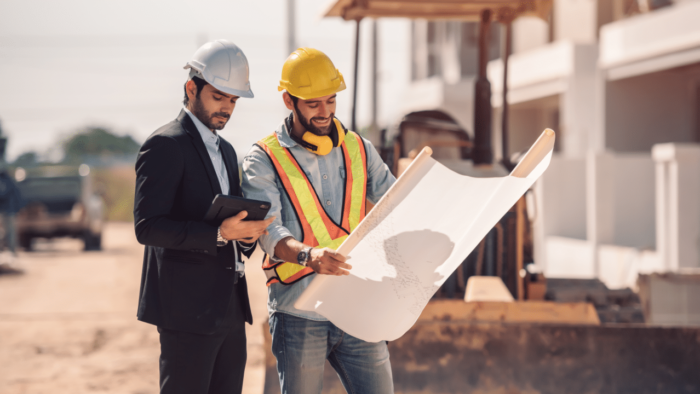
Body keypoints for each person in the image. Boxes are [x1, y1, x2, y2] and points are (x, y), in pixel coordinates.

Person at [241, 47, 396, 394]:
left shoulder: (359, 148)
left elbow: (396, 203)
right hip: (298, 311)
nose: (325, 112)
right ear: (288, 100)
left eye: (331, 101)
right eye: (313, 104)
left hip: (357, 306)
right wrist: (308, 255)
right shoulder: (263, 159)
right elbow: (268, 230)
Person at [133, 39, 274, 394]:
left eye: (233, 100)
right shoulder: (165, 145)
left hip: (229, 306)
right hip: (185, 311)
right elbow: (147, 227)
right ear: (191, 88)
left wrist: (245, 236)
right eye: (218, 96)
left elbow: (229, 220)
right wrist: (218, 234)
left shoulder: (226, 151)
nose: (226, 108)